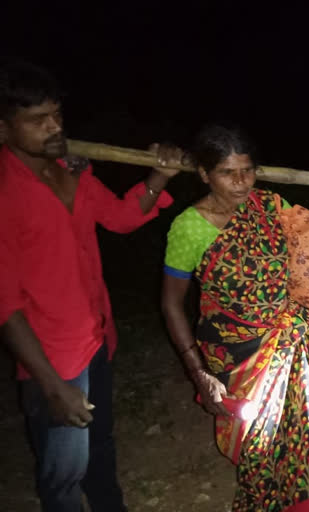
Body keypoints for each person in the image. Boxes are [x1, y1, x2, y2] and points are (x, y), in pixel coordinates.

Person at [0, 60, 180, 511]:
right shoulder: (4, 194)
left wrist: (159, 178)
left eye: (57, 114)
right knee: (62, 477)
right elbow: (6, 305)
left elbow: (119, 217)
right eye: (37, 120)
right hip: (54, 358)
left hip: (97, 337)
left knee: (101, 452)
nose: (54, 126)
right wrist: (52, 386)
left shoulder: (70, 167)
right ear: (4, 129)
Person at [160, 125, 309, 511]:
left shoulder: (270, 206)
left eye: (247, 170)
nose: (240, 182)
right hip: (237, 353)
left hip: (290, 344)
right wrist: (197, 371)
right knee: (260, 441)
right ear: (204, 174)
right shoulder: (189, 228)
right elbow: (171, 304)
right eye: (227, 172)